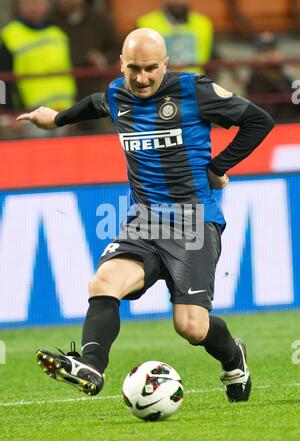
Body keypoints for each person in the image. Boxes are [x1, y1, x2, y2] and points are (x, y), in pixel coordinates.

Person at [17, 28, 274, 402]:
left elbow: (259, 120)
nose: (141, 78)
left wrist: (217, 166)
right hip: (144, 220)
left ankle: (235, 357)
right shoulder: (117, 93)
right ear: (121, 64)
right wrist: (56, 119)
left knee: (191, 327)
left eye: (151, 68)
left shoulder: (194, 91)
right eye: (133, 68)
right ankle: (90, 365)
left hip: (194, 222)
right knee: (103, 282)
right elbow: (94, 102)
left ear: (166, 64)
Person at [0, 0, 76, 111]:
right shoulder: (9, 35)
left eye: (38, 2)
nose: (34, 7)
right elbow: (2, 78)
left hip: (63, 110)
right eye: (28, 3)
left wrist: (74, 109)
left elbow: (68, 72)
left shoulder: (58, 34)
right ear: (18, 6)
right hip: (28, 113)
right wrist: (7, 110)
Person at [136, 0, 214, 74]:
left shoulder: (203, 24)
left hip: (195, 82)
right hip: (160, 82)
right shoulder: (145, 24)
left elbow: (208, 59)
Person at [245, 31, 299, 122]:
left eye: (273, 49)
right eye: (264, 51)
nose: (269, 54)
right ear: (257, 55)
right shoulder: (257, 78)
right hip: (280, 123)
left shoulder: (283, 72)